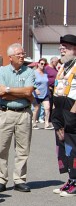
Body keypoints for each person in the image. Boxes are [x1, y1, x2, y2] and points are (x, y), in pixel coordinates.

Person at [0, 43, 35, 193]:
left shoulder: (29, 72)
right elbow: (0, 93)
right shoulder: (2, 72)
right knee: (1, 148)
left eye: (23, 54)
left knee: (23, 149)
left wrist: (9, 90)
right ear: (10, 57)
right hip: (5, 113)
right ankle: (1, 180)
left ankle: (20, 179)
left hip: (24, 113)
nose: (22, 56)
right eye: (19, 54)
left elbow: (29, 92)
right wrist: (22, 93)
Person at [50, 34, 76, 196]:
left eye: (65, 47)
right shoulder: (62, 67)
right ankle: (70, 179)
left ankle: (75, 181)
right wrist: (56, 116)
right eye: (61, 47)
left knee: (73, 149)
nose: (61, 50)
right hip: (60, 109)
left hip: (71, 110)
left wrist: (71, 117)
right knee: (62, 148)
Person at [32, 59, 52, 130]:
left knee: (47, 107)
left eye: (44, 64)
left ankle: (46, 124)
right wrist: (35, 89)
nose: (43, 65)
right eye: (41, 63)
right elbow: (31, 82)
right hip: (36, 94)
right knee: (36, 109)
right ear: (38, 64)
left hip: (45, 93)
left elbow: (46, 83)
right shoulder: (34, 72)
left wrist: (49, 91)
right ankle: (34, 123)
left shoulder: (45, 72)